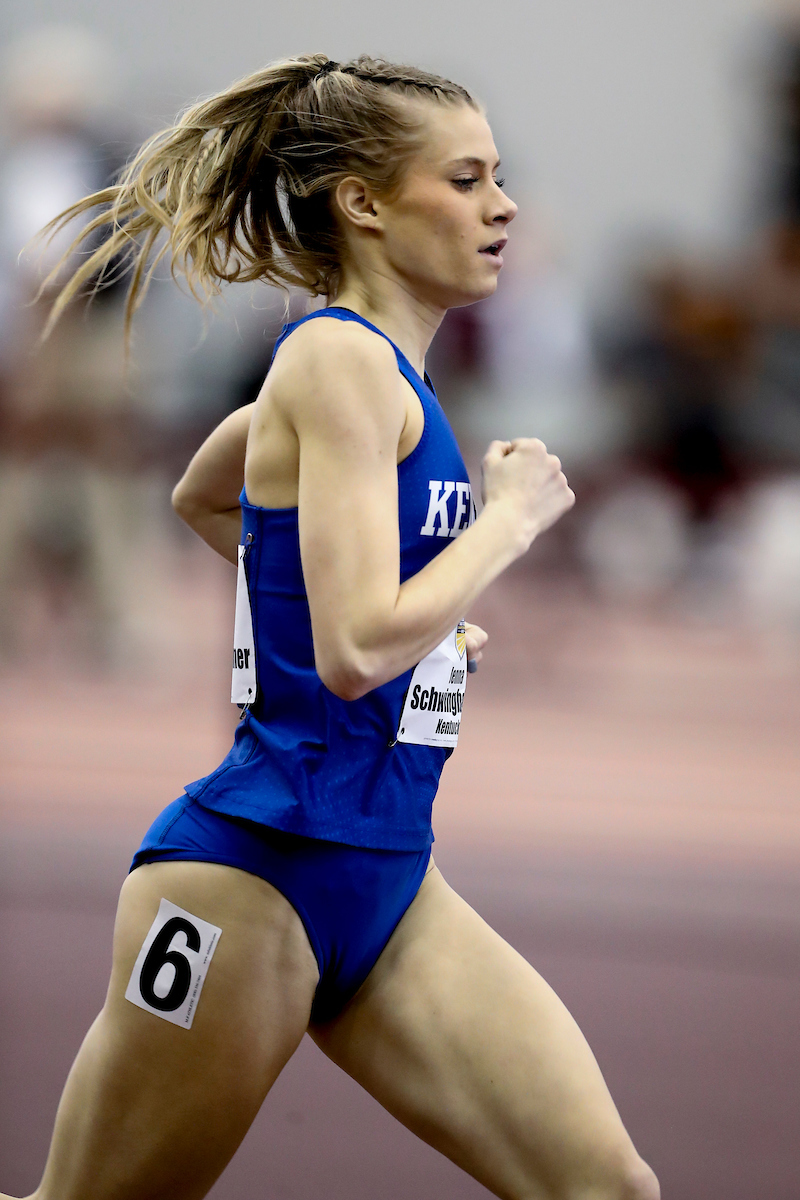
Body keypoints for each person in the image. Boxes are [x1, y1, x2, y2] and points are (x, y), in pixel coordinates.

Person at [5, 54, 660, 1200]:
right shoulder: (333, 359)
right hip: (250, 878)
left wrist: (426, 623)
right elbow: (356, 648)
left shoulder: (375, 376)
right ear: (361, 201)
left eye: (497, 177)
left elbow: (210, 500)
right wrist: (501, 526)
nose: (502, 206)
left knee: (604, 1188)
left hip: (388, 880)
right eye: (464, 179)